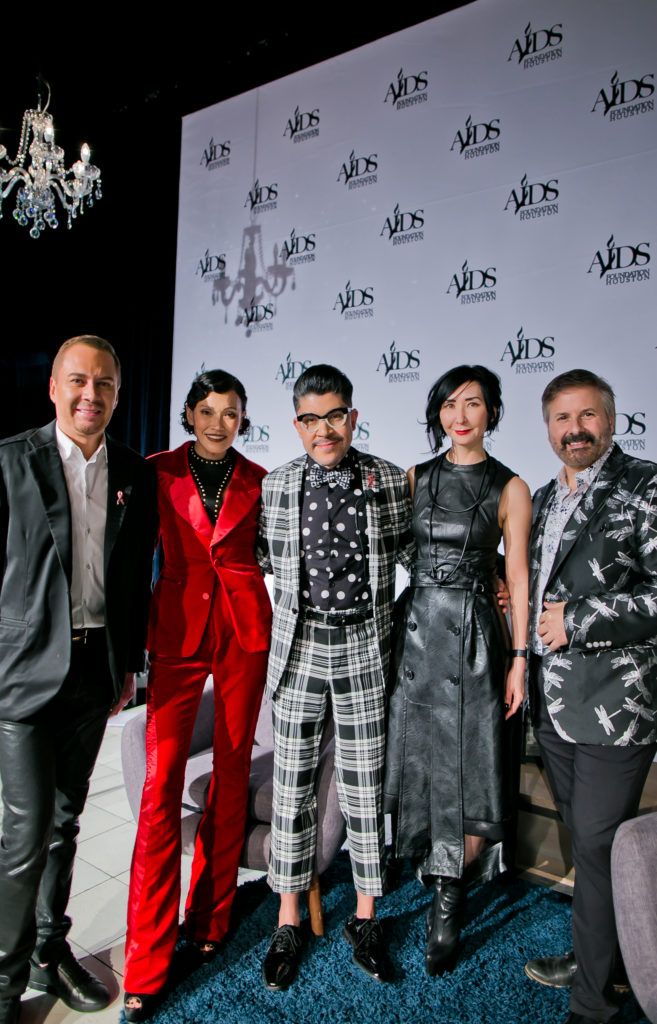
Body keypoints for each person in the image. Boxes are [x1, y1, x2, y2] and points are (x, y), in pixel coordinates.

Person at [0, 336, 157, 1024]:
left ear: (118, 394)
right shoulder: (12, 461)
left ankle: (48, 950)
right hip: (22, 676)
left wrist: (130, 665)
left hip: (96, 671)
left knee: (65, 823)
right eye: (78, 380)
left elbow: (135, 576)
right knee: (25, 833)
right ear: (53, 387)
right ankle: (4, 986)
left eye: (105, 384)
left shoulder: (133, 471)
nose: (90, 394)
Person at [257, 364, 413, 990]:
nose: (325, 429)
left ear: (352, 417)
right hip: (298, 649)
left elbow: (415, 556)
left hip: (364, 649)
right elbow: (262, 560)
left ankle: (366, 917)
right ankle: (288, 919)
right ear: (297, 425)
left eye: (335, 415)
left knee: (364, 786)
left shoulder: (389, 480)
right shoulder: (276, 485)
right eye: (311, 419)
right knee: (290, 786)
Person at [123, 370, 271, 1021]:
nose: (218, 423)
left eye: (230, 412)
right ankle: (145, 962)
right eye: (207, 411)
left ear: (242, 418)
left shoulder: (260, 480)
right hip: (177, 631)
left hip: (244, 632)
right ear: (188, 414)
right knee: (160, 790)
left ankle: (210, 919)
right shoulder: (155, 471)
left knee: (232, 775)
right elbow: (133, 559)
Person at [384, 365, 531, 977]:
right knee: (420, 755)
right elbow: (397, 551)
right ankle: (423, 858)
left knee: (467, 762)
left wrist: (520, 658)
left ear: (491, 411)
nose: (460, 415)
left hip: (474, 641)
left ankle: (449, 894)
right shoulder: (415, 476)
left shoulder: (510, 486)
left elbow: (518, 577)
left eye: (473, 403)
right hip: (416, 633)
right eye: (449, 404)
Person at [523, 369, 657, 1024]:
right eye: (561, 419)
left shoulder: (645, 485)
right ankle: (602, 961)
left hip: (615, 705)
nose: (574, 430)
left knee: (601, 848)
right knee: (587, 846)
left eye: (587, 416)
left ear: (610, 419)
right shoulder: (544, 497)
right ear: (547, 428)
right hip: (552, 704)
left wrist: (576, 620)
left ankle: (591, 1007)